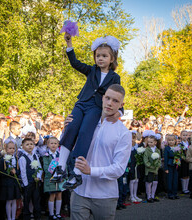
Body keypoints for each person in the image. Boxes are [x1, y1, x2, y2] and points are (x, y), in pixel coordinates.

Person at [53, 33, 123, 189]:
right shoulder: (91, 70)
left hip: (95, 108)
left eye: (104, 56)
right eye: (98, 56)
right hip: (82, 103)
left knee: (85, 133)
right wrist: (69, 44)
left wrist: (121, 111)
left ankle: (77, 173)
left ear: (112, 59)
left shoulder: (115, 77)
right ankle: (61, 167)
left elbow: (117, 94)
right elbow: (75, 63)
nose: (100, 58)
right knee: (70, 127)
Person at [70, 84, 131, 220]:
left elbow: (119, 169)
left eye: (115, 101)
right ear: (102, 98)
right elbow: (71, 145)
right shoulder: (85, 121)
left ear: (122, 104)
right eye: (108, 98)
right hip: (80, 191)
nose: (110, 103)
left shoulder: (123, 133)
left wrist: (91, 170)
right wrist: (68, 127)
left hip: (105, 196)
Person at [18, 138, 43, 220]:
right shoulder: (23, 158)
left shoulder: (35, 155)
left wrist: (38, 177)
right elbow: (23, 172)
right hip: (28, 183)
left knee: (36, 199)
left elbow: (39, 167)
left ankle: (37, 216)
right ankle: (26, 216)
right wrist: (26, 184)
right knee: (27, 200)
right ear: (23, 146)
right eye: (27, 144)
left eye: (31, 144)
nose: (29, 146)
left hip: (35, 181)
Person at [42, 137, 64, 220]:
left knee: (59, 194)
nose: (53, 145)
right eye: (51, 143)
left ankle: (58, 213)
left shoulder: (60, 155)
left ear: (58, 144)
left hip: (60, 178)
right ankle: (51, 214)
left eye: (55, 143)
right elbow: (46, 167)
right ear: (48, 145)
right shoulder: (46, 156)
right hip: (51, 178)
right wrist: (53, 173)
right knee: (52, 195)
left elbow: (63, 164)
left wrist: (62, 174)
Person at [0, 140, 21, 220]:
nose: (12, 150)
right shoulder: (3, 159)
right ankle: (9, 217)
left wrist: (15, 171)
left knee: (14, 200)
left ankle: (13, 217)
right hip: (7, 183)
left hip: (14, 183)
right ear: (6, 148)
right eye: (10, 148)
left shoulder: (16, 158)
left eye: (13, 148)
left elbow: (18, 170)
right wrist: (10, 172)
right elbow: (2, 172)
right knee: (9, 201)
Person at [143, 135, 161, 203]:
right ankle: (148, 196)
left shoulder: (157, 150)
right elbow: (145, 159)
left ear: (155, 142)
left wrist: (158, 165)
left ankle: (153, 195)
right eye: (149, 142)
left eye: (151, 142)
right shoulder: (147, 150)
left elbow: (159, 158)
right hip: (149, 169)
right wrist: (149, 165)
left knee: (155, 182)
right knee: (149, 182)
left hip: (155, 169)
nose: (150, 143)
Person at [128, 131, 143, 203]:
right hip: (131, 165)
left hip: (136, 165)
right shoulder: (128, 147)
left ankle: (135, 194)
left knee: (137, 180)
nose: (132, 140)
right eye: (130, 139)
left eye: (133, 138)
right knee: (132, 180)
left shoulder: (136, 147)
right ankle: (131, 195)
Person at [164, 134, 180, 200]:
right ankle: (170, 193)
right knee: (170, 180)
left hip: (175, 165)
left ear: (175, 141)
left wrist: (179, 162)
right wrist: (166, 168)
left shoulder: (177, 147)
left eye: (172, 140)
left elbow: (179, 156)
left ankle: (175, 193)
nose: (171, 142)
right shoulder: (167, 148)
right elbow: (165, 158)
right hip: (169, 164)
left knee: (175, 180)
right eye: (169, 140)